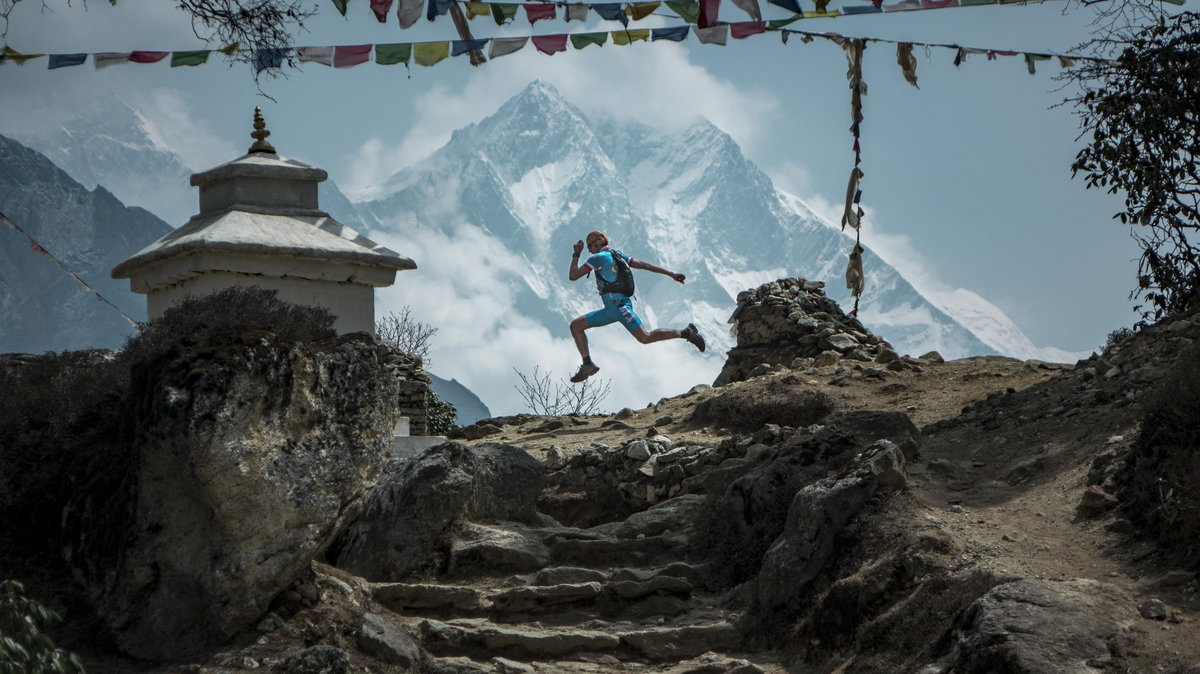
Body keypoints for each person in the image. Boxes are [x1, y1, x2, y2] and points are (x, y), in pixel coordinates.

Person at [567, 230, 705, 383]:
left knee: (645, 337)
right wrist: (670, 273)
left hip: (618, 307)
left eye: (590, 246)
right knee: (576, 326)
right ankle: (587, 364)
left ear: (597, 243)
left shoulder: (598, 258)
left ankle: (687, 333)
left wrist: (576, 254)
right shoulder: (618, 255)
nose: (589, 250)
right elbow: (644, 265)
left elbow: (573, 276)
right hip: (611, 309)